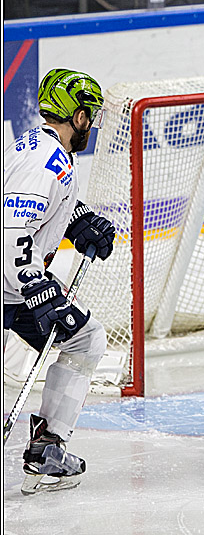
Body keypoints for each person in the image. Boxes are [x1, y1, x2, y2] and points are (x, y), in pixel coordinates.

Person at [3, 69, 116, 495]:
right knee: (84, 339)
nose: (92, 123)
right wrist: (36, 286)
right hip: (13, 281)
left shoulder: (41, 146)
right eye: (91, 115)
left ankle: (48, 447)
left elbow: (41, 206)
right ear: (79, 116)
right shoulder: (45, 160)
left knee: (85, 338)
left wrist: (77, 219)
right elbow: (13, 229)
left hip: (12, 283)